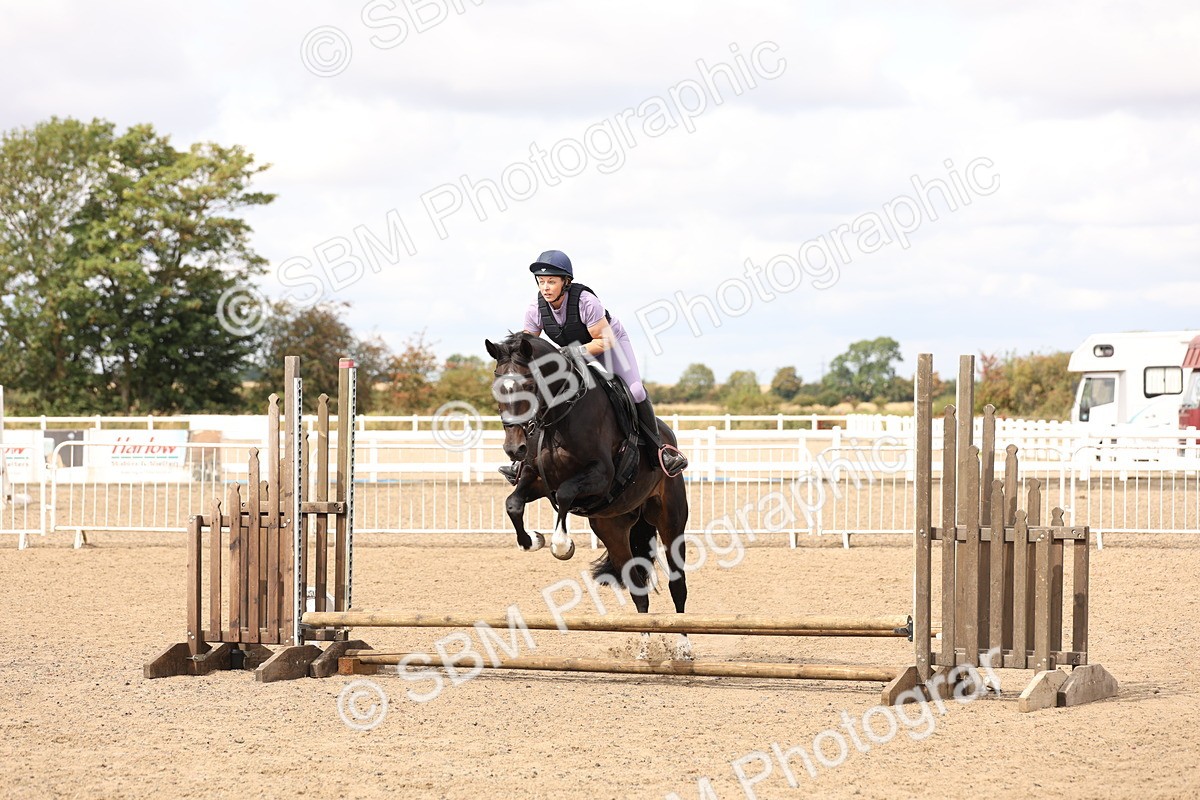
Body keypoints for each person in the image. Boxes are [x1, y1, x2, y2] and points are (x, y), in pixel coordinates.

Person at [498, 249, 688, 482]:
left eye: (551, 281)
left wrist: (570, 352)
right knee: (541, 391)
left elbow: (604, 340)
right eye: (541, 281)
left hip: (608, 346)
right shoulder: (534, 308)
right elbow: (527, 346)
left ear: (565, 282)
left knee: (636, 390)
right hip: (572, 354)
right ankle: (522, 461)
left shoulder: (586, 302)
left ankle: (660, 451)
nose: (545, 287)